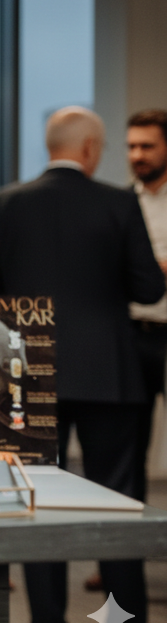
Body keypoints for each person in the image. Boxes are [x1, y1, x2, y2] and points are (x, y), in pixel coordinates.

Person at [0, 106, 164, 623]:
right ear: (89, 149)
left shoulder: (1, 205)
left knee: (38, 505)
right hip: (109, 372)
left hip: (26, 371)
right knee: (118, 505)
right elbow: (149, 289)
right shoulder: (118, 202)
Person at [126, 108, 167, 504]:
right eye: (132, 146)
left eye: (148, 146)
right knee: (128, 447)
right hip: (134, 335)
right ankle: (122, 563)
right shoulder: (119, 203)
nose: (138, 155)